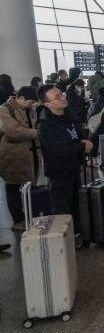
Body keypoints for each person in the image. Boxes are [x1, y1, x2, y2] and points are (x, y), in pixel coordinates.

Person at [37, 86, 93, 248]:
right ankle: (61, 243)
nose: (62, 97)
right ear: (47, 104)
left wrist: (85, 142)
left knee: (76, 204)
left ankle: (75, 235)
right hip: (59, 172)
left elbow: (76, 137)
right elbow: (57, 150)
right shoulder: (45, 125)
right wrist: (81, 146)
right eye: (57, 97)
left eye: (61, 94)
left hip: (73, 168)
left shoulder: (68, 116)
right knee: (62, 208)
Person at [0, 87, 41, 232]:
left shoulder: (30, 109)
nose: (31, 105)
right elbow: (12, 130)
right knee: (13, 188)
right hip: (12, 157)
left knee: (29, 187)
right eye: (30, 102)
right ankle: (18, 220)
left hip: (31, 155)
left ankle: (30, 215)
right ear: (21, 98)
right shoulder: (4, 109)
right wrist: (36, 133)